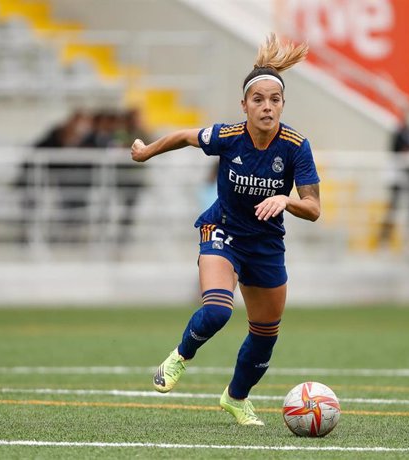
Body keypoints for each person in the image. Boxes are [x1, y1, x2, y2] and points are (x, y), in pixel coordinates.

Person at [130, 33, 320, 426]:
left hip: (266, 245)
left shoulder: (296, 147)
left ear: (283, 104)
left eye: (274, 100)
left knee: (265, 336)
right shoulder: (228, 137)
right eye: (258, 100)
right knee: (217, 310)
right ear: (244, 105)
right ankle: (179, 356)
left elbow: (314, 208)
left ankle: (236, 398)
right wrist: (147, 151)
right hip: (223, 231)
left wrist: (286, 200)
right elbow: (185, 136)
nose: (267, 107)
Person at [378, 107, 409, 247]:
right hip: (399, 175)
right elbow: (393, 150)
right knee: (393, 206)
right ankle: (385, 239)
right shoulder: (399, 133)